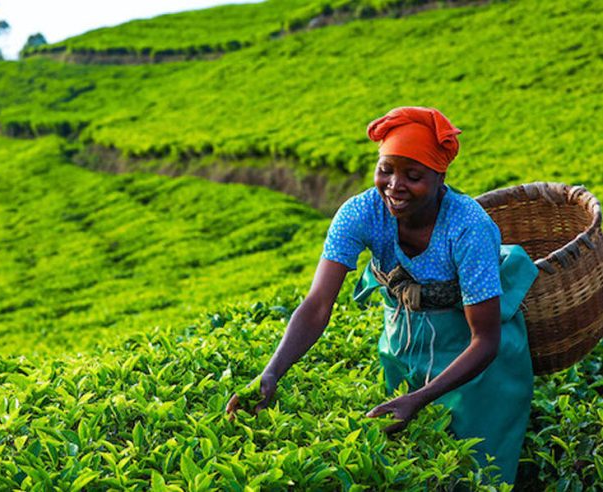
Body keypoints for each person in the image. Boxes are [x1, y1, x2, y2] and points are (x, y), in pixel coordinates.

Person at [225, 107, 538, 484]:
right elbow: (317, 305)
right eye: (386, 169)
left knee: (476, 472)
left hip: (479, 372)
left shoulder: (468, 227)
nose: (394, 185)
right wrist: (271, 373)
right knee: (413, 469)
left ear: (441, 177)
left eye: (413, 175)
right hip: (404, 354)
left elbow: (486, 340)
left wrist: (417, 400)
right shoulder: (361, 212)